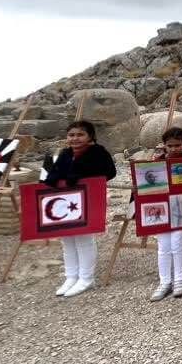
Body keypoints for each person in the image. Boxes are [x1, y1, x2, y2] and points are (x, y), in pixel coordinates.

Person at [43, 120, 117, 298]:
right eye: (71, 135)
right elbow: (56, 172)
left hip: (87, 200)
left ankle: (86, 278)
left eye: (80, 134)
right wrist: (53, 178)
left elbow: (109, 172)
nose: (75, 138)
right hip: (65, 201)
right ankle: (71, 276)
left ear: (90, 136)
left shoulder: (98, 153)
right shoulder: (65, 153)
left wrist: (83, 176)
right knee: (67, 239)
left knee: (84, 239)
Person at [148, 126, 182, 302]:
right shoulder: (156, 163)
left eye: (178, 145)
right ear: (164, 145)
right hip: (160, 207)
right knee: (163, 245)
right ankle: (164, 282)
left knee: (178, 243)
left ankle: (179, 280)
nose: (174, 149)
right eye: (170, 146)